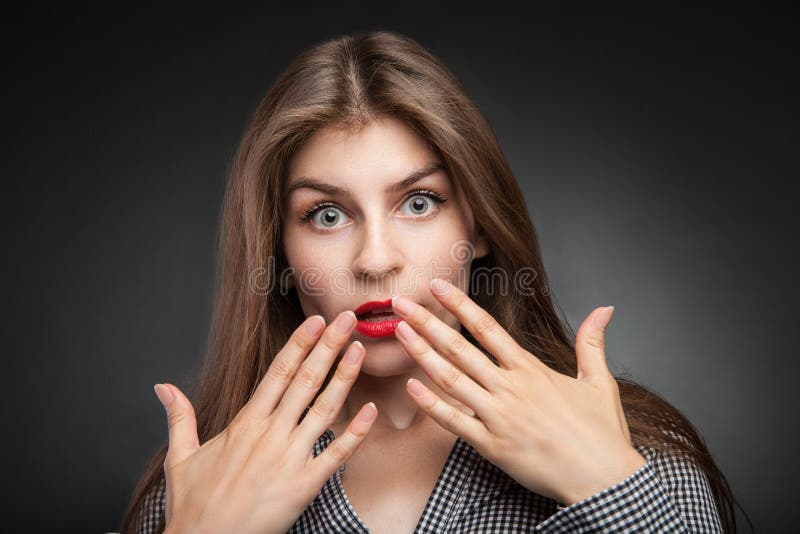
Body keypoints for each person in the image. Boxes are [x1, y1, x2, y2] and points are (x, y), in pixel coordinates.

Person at [121, 30, 747, 533]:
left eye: (418, 202)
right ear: (280, 249)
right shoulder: (208, 482)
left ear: (477, 226)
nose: (376, 260)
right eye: (328, 215)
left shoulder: (634, 452)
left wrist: (611, 488)